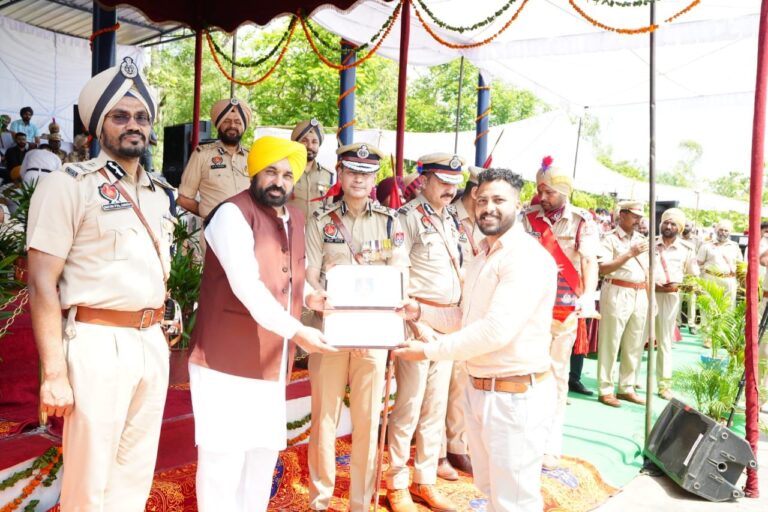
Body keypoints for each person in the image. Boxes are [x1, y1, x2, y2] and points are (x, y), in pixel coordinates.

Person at [26, 56, 174, 511]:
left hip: (151, 341)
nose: (134, 125)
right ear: (98, 127)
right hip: (96, 342)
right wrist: (54, 373)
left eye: (142, 118)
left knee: (135, 474)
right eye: (120, 116)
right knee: (89, 483)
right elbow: (41, 282)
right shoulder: (68, 184)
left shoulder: (158, 193)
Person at [395, 167, 558, 512]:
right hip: (482, 390)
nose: (488, 208)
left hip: (514, 396)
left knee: (514, 500)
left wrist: (427, 350)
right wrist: (420, 311)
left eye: (499, 200)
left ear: (518, 205)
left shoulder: (525, 257)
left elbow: (495, 331)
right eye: (482, 200)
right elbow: (466, 318)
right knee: (493, 490)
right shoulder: (483, 255)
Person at [188, 135, 336, 512]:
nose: (278, 182)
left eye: (287, 175)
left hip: (272, 361)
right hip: (224, 362)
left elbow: (291, 274)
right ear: (254, 172)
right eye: (271, 171)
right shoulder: (232, 214)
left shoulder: (295, 218)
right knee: (223, 461)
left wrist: (310, 297)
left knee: (261, 457)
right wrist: (299, 331)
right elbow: (248, 287)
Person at [304, 143, 409, 512]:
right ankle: (320, 501)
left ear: (375, 177)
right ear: (340, 173)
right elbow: (310, 272)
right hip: (329, 332)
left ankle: (360, 504)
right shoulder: (320, 219)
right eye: (352, 171)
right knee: (324, 420)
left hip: (373, 336)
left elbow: (399, 275)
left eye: (366, 173)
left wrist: (381, 326)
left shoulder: (391, 221)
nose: (359, 179)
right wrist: (317, 295)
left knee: (367, 422)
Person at [386, 153, 465, 512]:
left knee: (435, 406)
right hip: (416, 321)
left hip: (446, 322)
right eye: (443, 182)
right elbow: (398, 273)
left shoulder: (451, 218)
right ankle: (397, 482)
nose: (450, 189)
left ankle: (425, 480)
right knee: (409, 405)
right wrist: (416, 324)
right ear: (425, 180)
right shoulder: (406, 217)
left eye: (454, 183)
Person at [522, 156, 599, 468]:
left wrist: (589, 296)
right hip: (528, 306)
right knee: (524, 371)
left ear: (564, 191)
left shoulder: (582, 221)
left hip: (562, 308)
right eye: (540, 191)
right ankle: (524, 438)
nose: (543, 197)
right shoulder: (526, 217)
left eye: (550, 192)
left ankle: (549, 445)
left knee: (555, 376)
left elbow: (589, 261)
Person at [439, 165, 484, 477]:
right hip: (446, 309)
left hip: (476, 310)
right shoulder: (448, 215)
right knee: (441, 386)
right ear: (475, 191)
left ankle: (458, 443)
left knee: (462, 383)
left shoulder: (488, 221)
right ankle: (440, 450)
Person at [596, 201, 649, 407]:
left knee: (635, 342)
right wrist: (629, 253)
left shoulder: (641, 240)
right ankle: (605, 388)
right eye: (634, 216)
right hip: (617, 290)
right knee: (611, 341)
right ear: (623, 214)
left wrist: (650, 297)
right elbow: (603, 268)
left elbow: (648, 270)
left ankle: (627, 386)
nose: (638, 220)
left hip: (639, 292)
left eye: (640, 217)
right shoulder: (609, 238)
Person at [177, 98, 252, 219]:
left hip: (247, 228)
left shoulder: (252, 157)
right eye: (226, 121)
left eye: (238, 122)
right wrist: (211, 216)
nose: (232, 126)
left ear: (243, 127)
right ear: (218, 125)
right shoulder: (202, 155)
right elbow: (184, 199)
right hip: (213, 229)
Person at [654, 208, 699, 400]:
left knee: (664, 341)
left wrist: (681, 285)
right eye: (666, 222)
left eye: (673, 224)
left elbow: (693, 276)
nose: (668, 226)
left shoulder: (687, 249)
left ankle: (664, 385)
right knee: (636, 340)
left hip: (669, 297)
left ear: (679, 228)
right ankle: (629, 383)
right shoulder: (649, 243)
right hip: (644, 293)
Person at [288, 118, 336, 217]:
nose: (310, 146)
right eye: (304, 141)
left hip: (318, 227)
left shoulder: (327, 175)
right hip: (290, 226)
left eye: (314, 142)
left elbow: (329, 208)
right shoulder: (285, 170)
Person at [697, 219, 742, 309]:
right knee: (709, 307)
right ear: (716, 230)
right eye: (721, 230)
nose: (723, 232)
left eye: (726, 230)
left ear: (730, 232)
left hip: (729, 280)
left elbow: (740, 264)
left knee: (728, 308)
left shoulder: (734, 246)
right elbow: (698, 264)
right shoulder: (706, 245)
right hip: (710, 280)